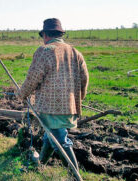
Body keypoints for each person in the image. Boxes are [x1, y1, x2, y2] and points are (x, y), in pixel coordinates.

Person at [18, 18, 89, 170]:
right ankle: (39, 166)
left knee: (60, 140)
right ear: (60, 34)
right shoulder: (75, 52)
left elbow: (33, 78)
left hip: (50, 107)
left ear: (45, 35)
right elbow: (85, 78)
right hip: (69, 107)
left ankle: (74, 175)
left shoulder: (44, 51)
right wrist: (78, 99)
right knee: (50, 136)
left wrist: (22, 94)